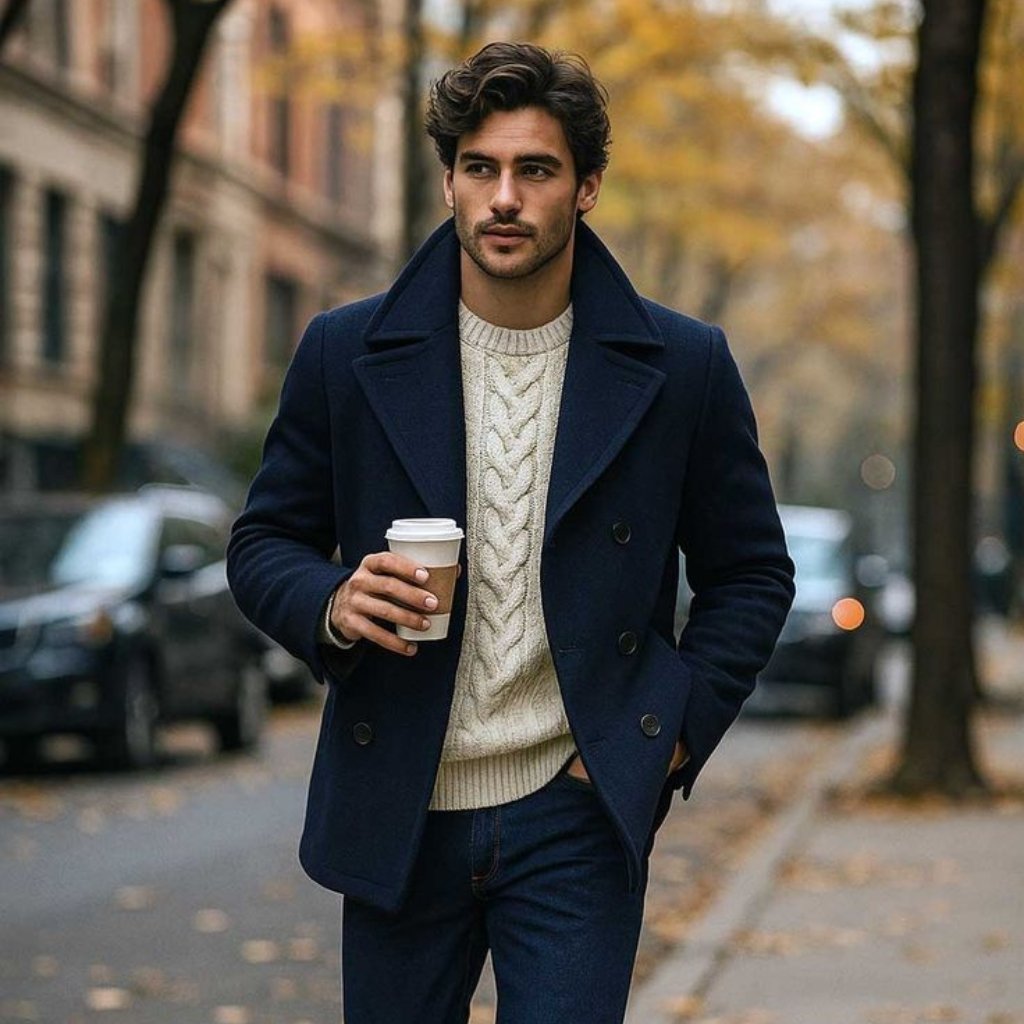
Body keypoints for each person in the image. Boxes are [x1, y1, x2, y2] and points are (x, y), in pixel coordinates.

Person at [227, 41, 795, 1024]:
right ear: (447, 179)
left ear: (585, 188)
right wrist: (328, 600)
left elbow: (750, 575)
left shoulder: (682, 367)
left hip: (572, 810)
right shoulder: (346, 351)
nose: (503, 197)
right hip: (399, 805)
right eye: (480, 168)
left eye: (535, 170)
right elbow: (261, 542)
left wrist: (659, 740)